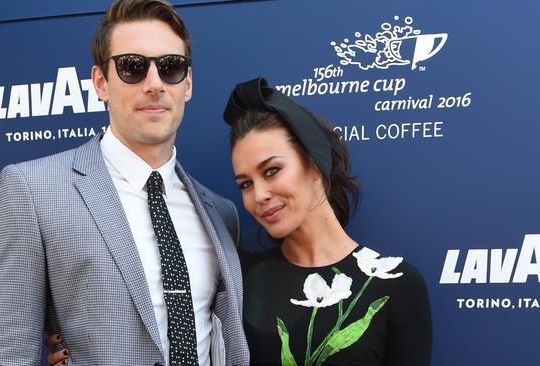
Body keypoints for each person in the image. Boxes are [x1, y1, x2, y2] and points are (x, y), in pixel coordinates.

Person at [46, 75, 433, 365]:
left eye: (272, 171)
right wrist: (75, 351)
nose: (259, 196)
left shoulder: (396, 285)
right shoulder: (238, 277)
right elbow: (155, 329)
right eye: (245, 183)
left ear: (314, 165)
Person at [0, 0, 249, 365]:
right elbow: (6, 351)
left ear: (187, 84)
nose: (154, 84)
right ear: (100, 82)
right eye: (132, 67)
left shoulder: (222, 213)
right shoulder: (31, 190)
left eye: (171, 67)